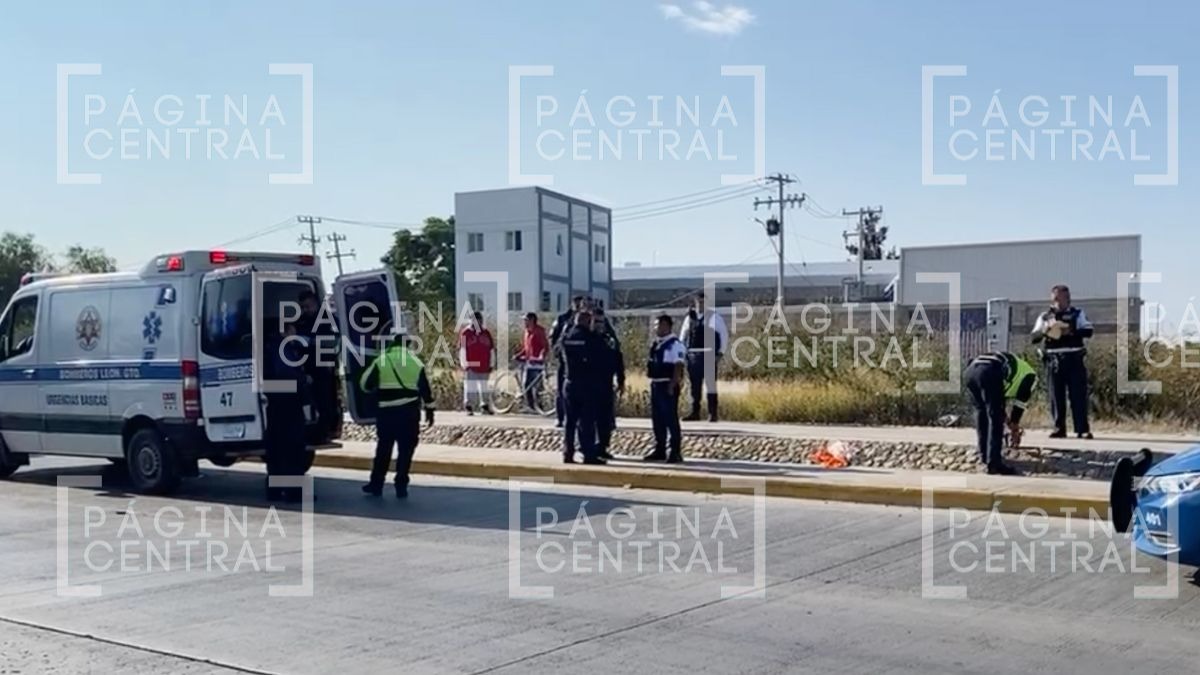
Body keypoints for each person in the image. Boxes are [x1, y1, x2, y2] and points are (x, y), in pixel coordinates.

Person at [359, 332, 436, 498]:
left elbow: (365, 384)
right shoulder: (416, 362)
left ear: (392, 344)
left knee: (384, 449)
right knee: (406, 451)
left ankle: (376, 484)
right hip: (409, 414)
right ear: (408, 345)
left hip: (387, 414)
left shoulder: (382, 360)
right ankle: (401, 485)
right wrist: (430, 411)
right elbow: (426, 390)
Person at [1031, 285, 1093, 439]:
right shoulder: (1045, 317)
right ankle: (1059, 428)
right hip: (1053, 359)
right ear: (1053, 298)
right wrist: (1046, 330)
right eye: (1058, 298)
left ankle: (1082, 429)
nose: (1062, 301)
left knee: (1078, 395)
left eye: (1065, 297)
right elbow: (1034, 337)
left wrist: (1070, 331)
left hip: (1074, 358)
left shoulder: (1077, 314)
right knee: (1056, 396)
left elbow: (1088, 331)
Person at [963, 351, 1036, 476]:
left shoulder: (1014, 373)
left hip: (970, 372)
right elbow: (1019, 406)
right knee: (994, 418)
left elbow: (998, 405)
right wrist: (1014, 426)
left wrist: (1009, 422)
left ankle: (985, 455)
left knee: (982, 413)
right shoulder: (1030, 378)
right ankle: (995, 464)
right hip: (989, 370)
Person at [263, 321, 310, 502]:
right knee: (293, 449)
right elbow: (290, 377)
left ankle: (274, 491)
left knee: (276, 448)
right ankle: (294, 492)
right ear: (288, 331)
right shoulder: (284, 350)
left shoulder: (269, 347)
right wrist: (305, 396)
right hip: (288, 404)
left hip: (275, 404)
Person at [559, 308, 607, 465]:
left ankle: (568, 453)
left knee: (569, 421)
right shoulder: (591, 338)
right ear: (588, 321)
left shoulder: (566, 336)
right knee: (587, 421)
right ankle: (588, 454)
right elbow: (601, 358)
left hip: (569, 382)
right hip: (587, 384)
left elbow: (558, 353)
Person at [295, 289, 339, 440]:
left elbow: (335, 341)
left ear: (316, 304)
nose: (306, 310)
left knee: (326, 399)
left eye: (308, 306)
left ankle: (326, 430)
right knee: (311, 400)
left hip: (324, 364)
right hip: (306, 365)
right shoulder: (301, 321)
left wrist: (311, 341)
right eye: (303, 307)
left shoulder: (328, 319)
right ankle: (315, 429)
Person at [645, 314, 687, 463]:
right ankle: (660, 449)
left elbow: (678, 366)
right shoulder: (657, 344)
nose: (656, 328)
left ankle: (675, 451)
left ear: (667, 326)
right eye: (655, 325)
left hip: (667, 385)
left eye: (659, 325)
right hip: (656, 383)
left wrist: (672, 385)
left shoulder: (675, 344)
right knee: (658, 420)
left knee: (670, 419)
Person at [679, 295, 728, 422]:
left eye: (702, 302)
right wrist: (683, 354)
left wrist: (720, 353)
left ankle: (713, 413)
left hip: (709, 354)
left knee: (710, 385)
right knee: (694, 386)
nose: (700, 305)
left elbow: (723, 335)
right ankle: (695, 412)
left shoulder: (714, 317)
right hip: (693, 355)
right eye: (698, 302)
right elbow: (683, 337)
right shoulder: (689, 318)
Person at [593, 308, 625, 460]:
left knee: (606, 418)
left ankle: (603, 446)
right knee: (590, 418)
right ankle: (590, 446)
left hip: (606, 383)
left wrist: (621, 379)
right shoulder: (587, 338)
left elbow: (618, 360)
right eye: (596, 321)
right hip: (590, 384)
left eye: (602, 322)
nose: (599, 325)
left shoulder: (610, 340)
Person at [550, 296, 586, 427]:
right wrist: (556, 353)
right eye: (576, 304)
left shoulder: (587, 319)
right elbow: (553, 338)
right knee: (561, 390)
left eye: (580, 304)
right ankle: (560, 417)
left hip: (582, 363)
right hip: (565, 362)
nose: (578, 306)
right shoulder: (563, 319)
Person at [459, 311, 495, 415]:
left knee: (484, 386)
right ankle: (469, 406)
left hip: (484, 364)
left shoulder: (486, 333)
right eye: (475, 320)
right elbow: (463, 349)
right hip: (471, 364)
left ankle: (484, 406)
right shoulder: (466, 333)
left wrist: (491, 363)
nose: (477, 322)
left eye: (479, 320)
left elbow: (491, 349)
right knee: (470, 386)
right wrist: (464, 364)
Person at [516, 312, 549, 412]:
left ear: (532, 320)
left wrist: (541, 356)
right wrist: (519, 355)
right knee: (526, 385)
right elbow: (526, 348)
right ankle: (531, 407)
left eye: (526, 320)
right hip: (528, 362)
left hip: (537, 363)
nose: (524, 322)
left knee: (537, 386)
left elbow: (545, 346)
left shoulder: (539, 331)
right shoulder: (526, 332)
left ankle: (539, 407)